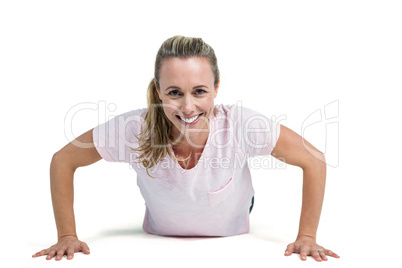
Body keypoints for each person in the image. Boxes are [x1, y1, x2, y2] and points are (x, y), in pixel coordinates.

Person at [32, 35, 340, 262]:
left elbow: (314, 160)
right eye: (175, 93)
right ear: (157, 90)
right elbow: (63, 160)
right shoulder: (133, 129)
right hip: (159, 233)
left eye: (200, 91)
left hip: (233, 225)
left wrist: (307, 237)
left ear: (217, 88)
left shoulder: (242, 124)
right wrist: (67, 235)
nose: (188, 106)